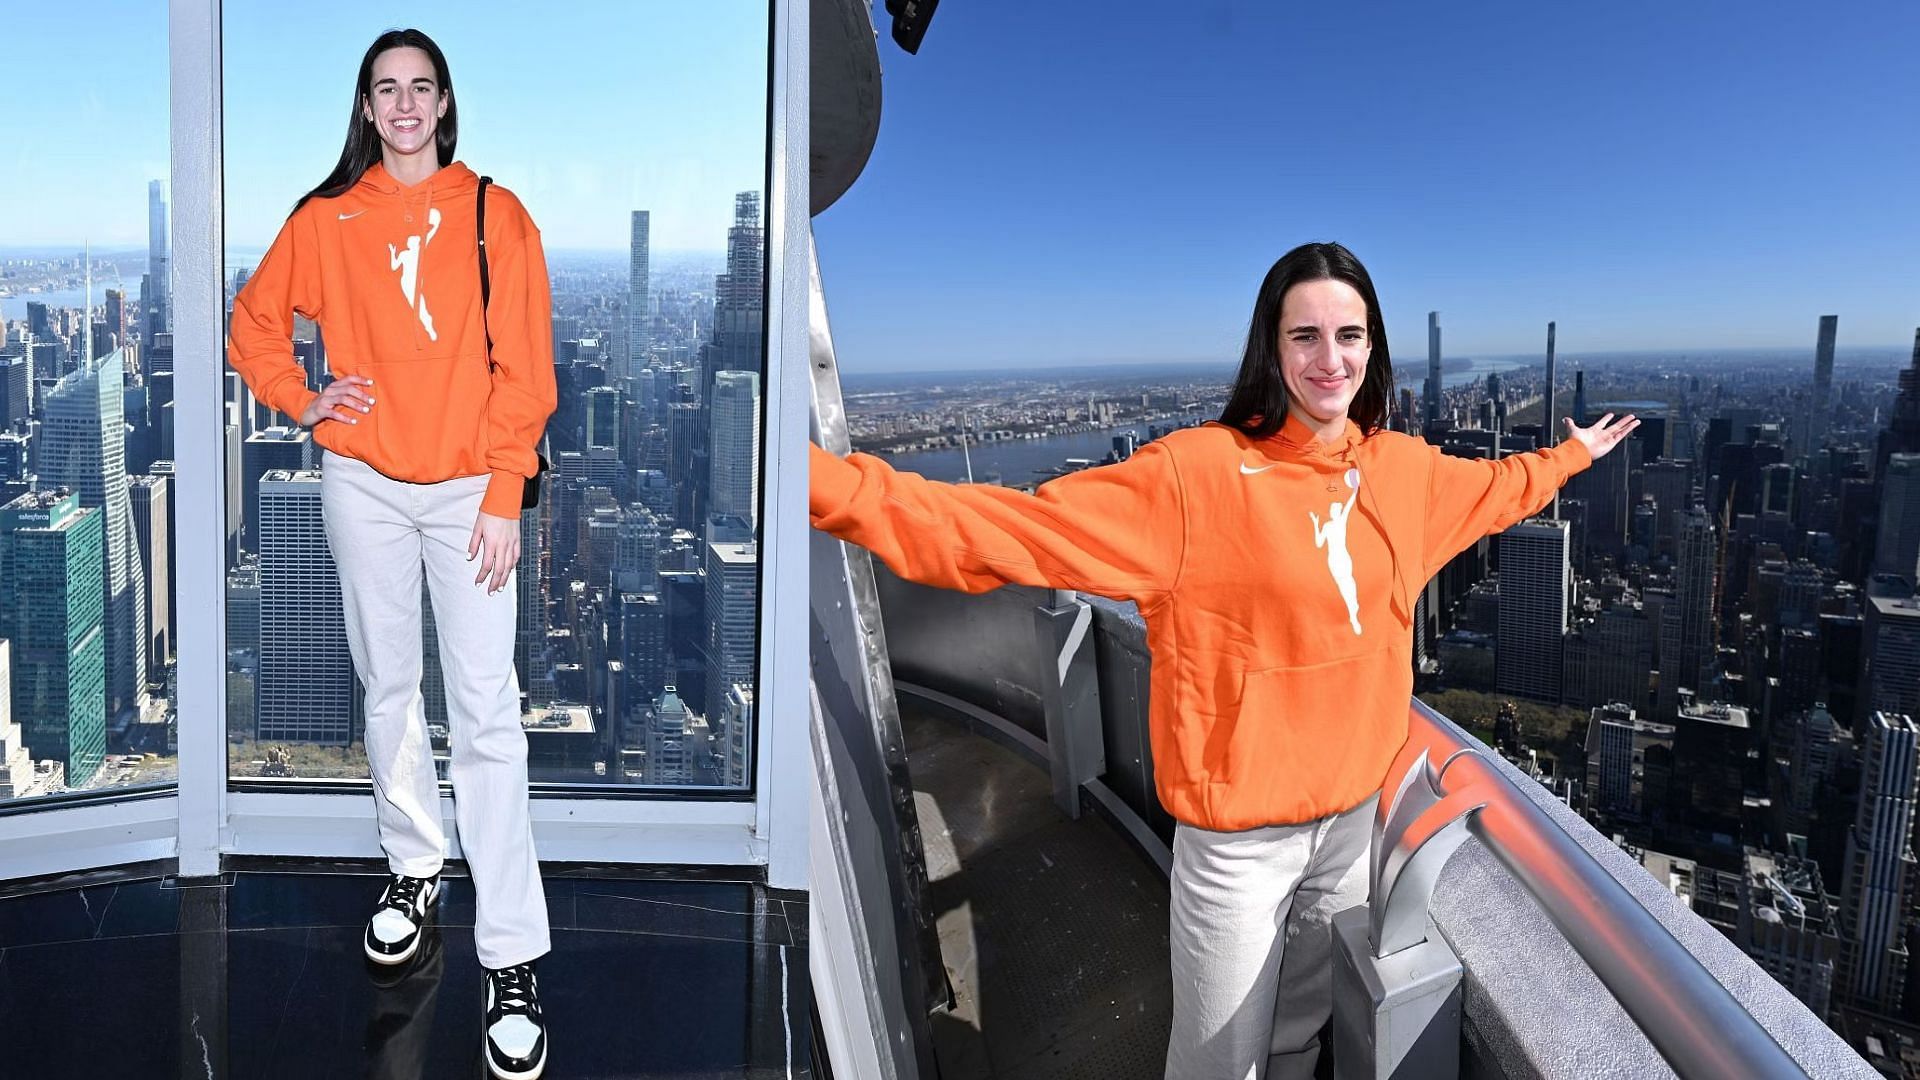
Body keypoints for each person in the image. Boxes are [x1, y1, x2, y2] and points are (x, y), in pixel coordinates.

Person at [809, 241, 1637, 1080]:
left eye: (1349, 335)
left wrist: (1570, 458)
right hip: (1240, 847)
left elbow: (1499, 490)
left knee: (1296, 1041)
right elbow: (1007, 529)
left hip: (1352, 825)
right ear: (1271, 351)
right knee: (1218, 1066)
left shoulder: (1404, 472)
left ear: (1373, 349)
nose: (1330, 358)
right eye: (1304, 335)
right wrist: (819, 485)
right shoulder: (1193, 477)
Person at [227, 28, 556, 1080]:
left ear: (445, 103)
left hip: (468, 493)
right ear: (367, 109)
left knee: (487, 714)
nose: (405, 104)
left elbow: (528, 370)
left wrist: (505, 490)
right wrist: (305, 401)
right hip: (363, 484)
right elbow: (252, 327)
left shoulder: (495, 214)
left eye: (421, 87)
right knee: (386, 690)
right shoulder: (326, 221)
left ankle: (511, 959)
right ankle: (415, 871)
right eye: (387, 89)